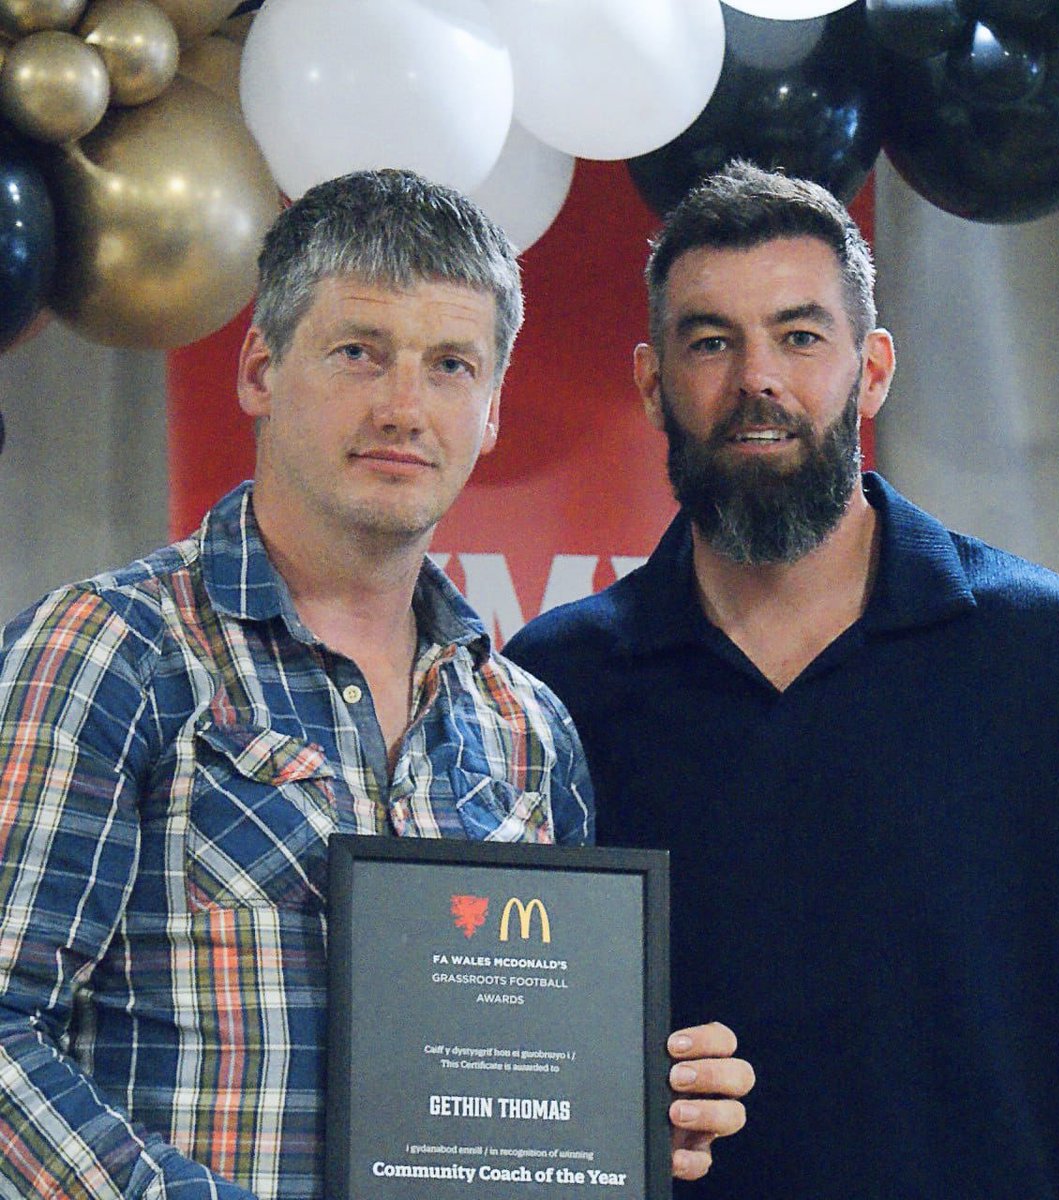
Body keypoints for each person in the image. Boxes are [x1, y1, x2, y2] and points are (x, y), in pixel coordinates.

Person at [0, 170, 751, 1200]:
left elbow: (534, 1096)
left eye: (451, 365)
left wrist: (624, 1116)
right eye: (360, 352)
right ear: (261, 368)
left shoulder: (527, 731)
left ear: (489, 411)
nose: (404, 407)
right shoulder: (110, 653)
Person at [505, 161, 1059, 1199]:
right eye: (711, 342)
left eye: (800, 335)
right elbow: (506, 1059)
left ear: (871, 368)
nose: (757, 383)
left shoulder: (1047, 655)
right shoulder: (549, 689)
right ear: (653, 383)